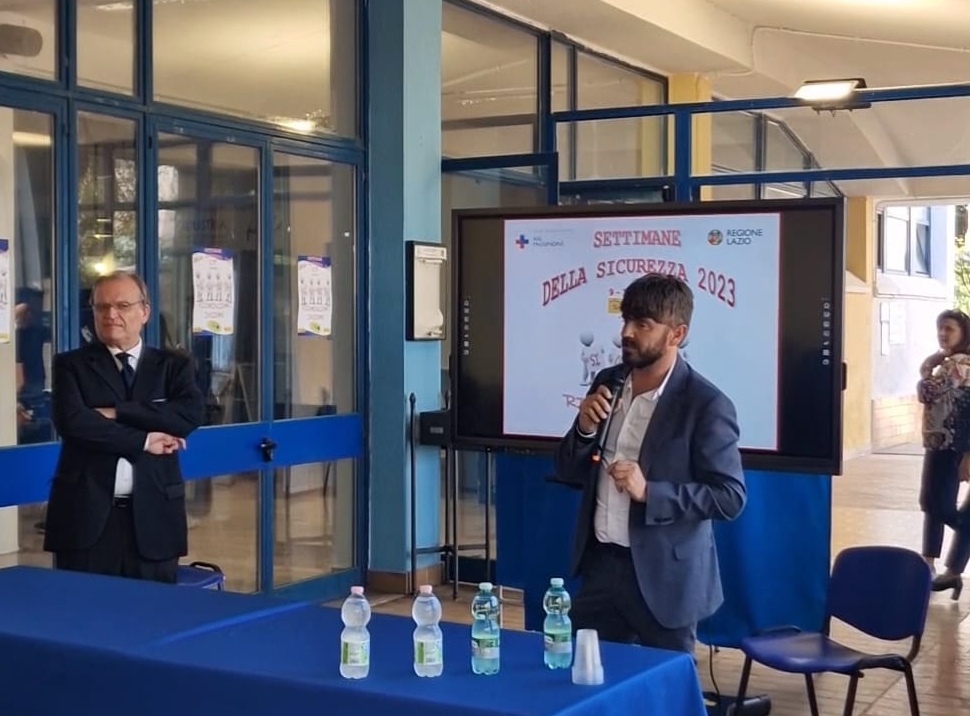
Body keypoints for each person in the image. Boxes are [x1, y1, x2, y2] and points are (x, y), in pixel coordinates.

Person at [550, 273, 747, 654]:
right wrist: (585, 429)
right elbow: (567, 470)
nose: (627, 333)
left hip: (666, 580)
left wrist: (649, 492)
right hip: (601, 567)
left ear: (677, 334)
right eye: (625, 320)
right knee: (586, 676)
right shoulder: (607, 381)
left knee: (666, 684)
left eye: (643, 324)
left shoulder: (706, 405)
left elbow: (729, 497)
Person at [44, 271, 206, 583]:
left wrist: (117, 412)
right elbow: (74, 423)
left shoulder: (173, 366)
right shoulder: (70, 365)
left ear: (144, 312)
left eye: (122, 305)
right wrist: (145, 440)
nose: (111, 314)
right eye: (101, 307)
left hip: (155, 517)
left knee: (152, 609)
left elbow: (189, 415)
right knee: (84, 608)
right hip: (86, 519)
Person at [916, 308, 970, 597]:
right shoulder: (949, 363)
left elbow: (927, 392)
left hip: (953, 447)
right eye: (940, 327)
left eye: (949, 328)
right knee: (930, 503)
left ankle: (953, 557)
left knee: (942, 507)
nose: (943, 333)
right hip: (937, 444)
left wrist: (926, 367)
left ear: (963, 333)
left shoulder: (960, 364)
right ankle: (929, 566)